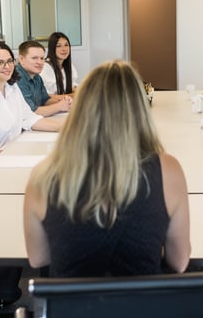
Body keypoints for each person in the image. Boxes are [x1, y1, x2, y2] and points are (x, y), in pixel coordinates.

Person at [23, 60, 191, 277]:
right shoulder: (168, 169)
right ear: (140, 109)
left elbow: (38, 258)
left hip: (72, 308)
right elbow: (180, 262)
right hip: (144, 306)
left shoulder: (43, 176)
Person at [0, 41, 61, 163]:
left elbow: (28, 118)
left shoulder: (11, 87)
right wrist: (6, 159)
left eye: (10, 61)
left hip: (10, 152)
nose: (7, 66)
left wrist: (64, 127)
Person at [15, 40, 72, 116]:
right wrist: (59, 106)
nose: (40, 62)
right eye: (34, 58)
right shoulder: (17, 77)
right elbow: (32, 112)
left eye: (42, 58)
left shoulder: (37, 76)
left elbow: (45, 100)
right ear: (21, 59)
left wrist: (65, 101)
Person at [40, 32, 78, 97]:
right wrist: (73, 95)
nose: (64, 49)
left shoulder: (68, 65)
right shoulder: (46, 67)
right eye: (59, 46)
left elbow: (72, 85)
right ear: (52, 48)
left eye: (66, 45)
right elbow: (46, 97)